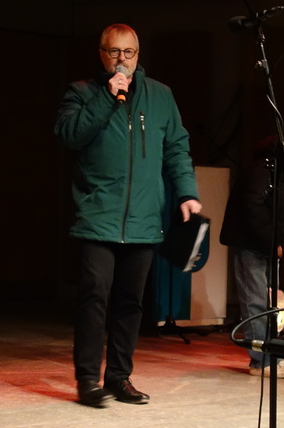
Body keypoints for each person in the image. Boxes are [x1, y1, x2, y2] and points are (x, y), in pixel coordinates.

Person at [55, 24, 201, 407]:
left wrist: (187, 192)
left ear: (138, 54)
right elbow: (70, 135)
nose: (122, 59)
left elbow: (177, 147)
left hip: (144, 218)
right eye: (114, 51)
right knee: (94, 296)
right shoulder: (82, 92)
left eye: (129, 52)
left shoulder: (161, 96)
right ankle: (88, 380)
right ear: (101, 54)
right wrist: (107, 97)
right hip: (98, 215)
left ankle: (119, 377)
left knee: (131, 302)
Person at [222, 136, 284, 377]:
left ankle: (273, 356)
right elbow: (252, 209)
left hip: (267, 246)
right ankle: (261, 361)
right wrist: (272, 241)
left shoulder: (283, 176)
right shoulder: (260, 172)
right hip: (252, 245)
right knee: (255, 302)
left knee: (270, 305)